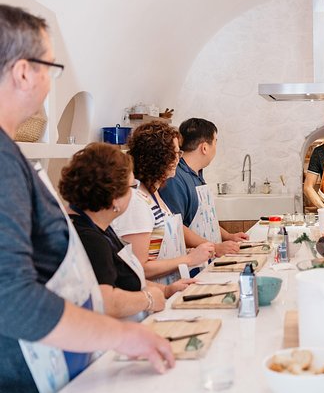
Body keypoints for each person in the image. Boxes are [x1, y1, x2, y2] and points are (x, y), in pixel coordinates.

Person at [0, 4, 173, 391]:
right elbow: (9, 297)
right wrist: (119, 335)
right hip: (24, 371)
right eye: (51, 68)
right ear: (24, 71)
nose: (49, 82)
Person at [60, 143, 195, 321]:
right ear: (114, 198)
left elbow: (124, 279)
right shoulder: (90, 239)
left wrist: (166, 290)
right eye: (131, 188)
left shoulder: (100, 228)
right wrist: (147, 300)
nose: (134, 194)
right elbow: (106, 302)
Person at [112, 121, 215, 285]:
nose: (177, 159)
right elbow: (138, 268)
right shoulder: (137, 202)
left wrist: (187, 252)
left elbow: (159, 249)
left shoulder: (153, 194)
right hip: (153, 298)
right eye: (173, 153)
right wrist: (188, 259)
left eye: (178, 153)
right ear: (156, 157)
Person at [159, 118, 246, 256]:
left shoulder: (196, 174)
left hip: (207, 257)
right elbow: (176, 227)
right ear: (204, 148)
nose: (216, 147)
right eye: (215, 142)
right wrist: (215, 248)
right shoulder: (175, 179)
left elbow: (207, 219)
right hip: (193, 263)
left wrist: (228, 236)